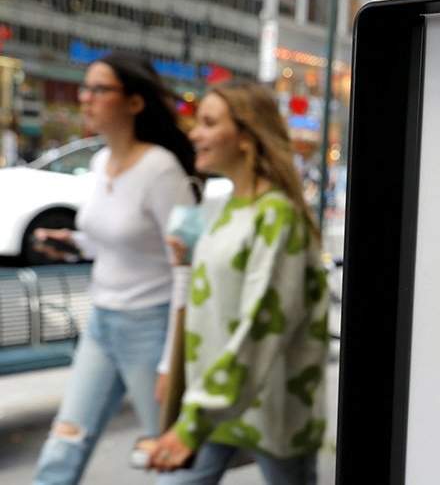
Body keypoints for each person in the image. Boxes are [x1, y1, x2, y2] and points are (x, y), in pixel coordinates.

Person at [148, 83, 330, 484]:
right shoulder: (230, 206)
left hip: (270, 407)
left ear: (246, 137)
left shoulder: (277, 215)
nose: (195, 133)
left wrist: (193, 421)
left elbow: (263, 322)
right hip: (217, 398)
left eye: (209, 123)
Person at [32, 52, 200, 485]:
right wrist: (71, 244)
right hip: (101, 324)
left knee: (171, 457)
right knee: (63, 444)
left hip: (151, 327)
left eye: (99, 89)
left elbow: (186, 266)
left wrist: (171, 361)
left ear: (135, 102)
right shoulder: (99, 162)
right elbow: (115, 240)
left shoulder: (161, 169)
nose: (85, 98)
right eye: (84, 88)